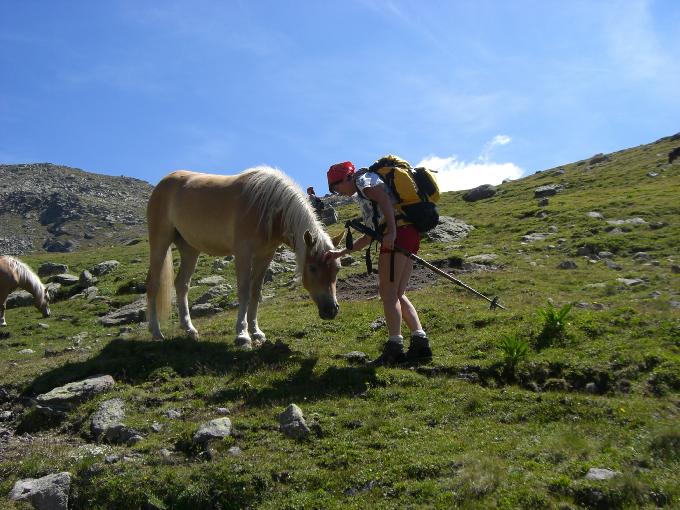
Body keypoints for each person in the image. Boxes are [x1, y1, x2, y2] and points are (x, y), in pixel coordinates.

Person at [324, 160, 432, 365]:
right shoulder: (365, 192)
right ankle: (420, 344)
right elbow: (369, 236)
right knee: (397, 294)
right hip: (408, 234)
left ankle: (395, 349)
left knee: (388, 294)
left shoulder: (364, 181)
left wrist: (391, 231)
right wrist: (340, 253)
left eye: (336, 187)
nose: (337, 192)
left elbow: (383, 199)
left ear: (347, 178)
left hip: (397, 235)